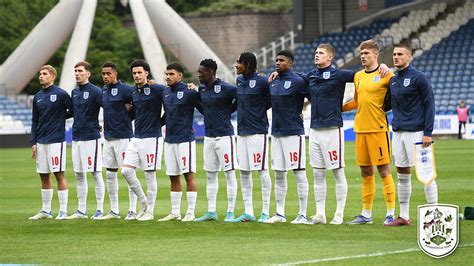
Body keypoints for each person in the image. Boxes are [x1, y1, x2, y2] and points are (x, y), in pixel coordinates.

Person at [268, 44, 389, 225]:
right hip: (315, 129)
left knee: (337, 172)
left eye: (321, 53)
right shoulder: (310, 76)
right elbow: (293, 77)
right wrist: (278, 73)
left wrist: (382, 67)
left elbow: (364, 74)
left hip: (333, 129)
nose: (317, 55)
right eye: (316, 52)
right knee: (318, 173)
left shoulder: (340, 75)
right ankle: (320, 214)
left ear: (330, 57)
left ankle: (339, 213)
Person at [343, 40, 396, 225]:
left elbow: (398, 90)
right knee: (365, 171)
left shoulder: (386, 74)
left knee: (383, 170)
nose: (363, 56)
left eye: (366, 53)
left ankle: (390, 212)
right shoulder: (358, 76)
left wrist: (387, 68)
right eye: (361, 53)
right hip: (361, 129)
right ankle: (366, 214)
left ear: (376, 54)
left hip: (378, 129)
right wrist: (338, 108)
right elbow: (356, 101)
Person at [385, 43, 438, 226]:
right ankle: (404, 216)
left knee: (426, 173)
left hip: (417, 133)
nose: (396, 57)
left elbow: (429, 103)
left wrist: (428, 132)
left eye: (400, 54)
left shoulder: (419, 78)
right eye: (394, 54)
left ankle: (434, 214)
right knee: (402, 174)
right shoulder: (393, 80)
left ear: (409, 57)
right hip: (398, 132)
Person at [263, 50, 311, 224]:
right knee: (279, 174)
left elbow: (313, 95)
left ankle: (303, 214)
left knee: (299, 172)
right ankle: (280, 213)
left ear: (290, 63)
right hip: (276, 133)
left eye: (281, 60)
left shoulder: (298, 81)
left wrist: (302, 109)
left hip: (293, 133)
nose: (277, 62)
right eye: (276, 60)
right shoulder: (273, 82)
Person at [193, 59, 238, 222]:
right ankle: (211, 211)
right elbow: (201, 106)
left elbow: (240, 97)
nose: (199, 74)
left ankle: (230, 212)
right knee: (210, 175)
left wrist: (228, 111)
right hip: (209, 137)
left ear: (211, 72)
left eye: (201, 72)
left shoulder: (227, 88)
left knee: (229, 174)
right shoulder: (202, 89)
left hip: (225, 136)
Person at [158, 62, 204, 222]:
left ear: (180, 75)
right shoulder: (165, 92)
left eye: (171, 74)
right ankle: (175, 212)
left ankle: (190, 212)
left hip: (185, 139)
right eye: (166, 74)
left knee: (188, 175)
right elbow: (166, 115)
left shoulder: (189, 92)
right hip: (169, 140)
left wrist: (197, 90)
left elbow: (204, 108)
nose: (168, 77)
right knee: (173, 176)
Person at [121, 59, 165, 221]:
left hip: (152, 138)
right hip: (136, 137)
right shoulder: (133, 92)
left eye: (140, 72)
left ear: (147, 73)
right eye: (134, 73)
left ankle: (150, 211)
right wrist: (128, 111)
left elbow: (172, 100)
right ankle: (143, 201)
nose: (137, 75)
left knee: (149, 175)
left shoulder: (157, 89)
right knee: (125, 170)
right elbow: (132, 115)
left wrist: (159, 123)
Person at [232, 52, 272, 223]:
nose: (236, 65)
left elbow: (271, 100)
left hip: (258, 131)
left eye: (238, 62)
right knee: (244, 172)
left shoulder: (262, 81)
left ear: (247, 64)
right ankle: (248, 211)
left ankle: (265, 211)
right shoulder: (239, 80)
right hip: (241, 132)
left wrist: (258, 112)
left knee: (262, 170)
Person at [29, 65, 72, 220]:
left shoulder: (61, 94)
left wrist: (59, 118)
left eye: (44, 74)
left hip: (56, 140)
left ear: (52, 77)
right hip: (41, 141)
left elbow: (72, 110)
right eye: (40, 74)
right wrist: (33, 141)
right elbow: (34, 120)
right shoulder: (38, 96)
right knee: (43, 175)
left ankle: (63, 211)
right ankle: (46, 210)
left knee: (59, 174)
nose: (41, 76)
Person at [67, 61, 105, 220]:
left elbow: (108, 108)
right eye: (75, 70)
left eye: (80, 71)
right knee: (78, 174)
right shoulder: (74, 92)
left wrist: (102, 124)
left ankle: (100, 209)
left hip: (91, 137)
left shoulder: (96, 91)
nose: (77, 73)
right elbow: (71, 112)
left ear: (88, 73)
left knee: (95, 173)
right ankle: (81, 210)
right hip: (76, 137)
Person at [100, 62, 138, 220]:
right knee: (110, 173)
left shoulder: (126, 89)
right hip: (108, 137)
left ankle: (132, 209)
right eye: (103, 74)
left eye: (108, 74)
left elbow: (138, 104)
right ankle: (114, 210)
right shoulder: (103, 91)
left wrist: (129, 117)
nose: (105, 76)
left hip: (123, 136)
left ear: (115, 73)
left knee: (128, 172)